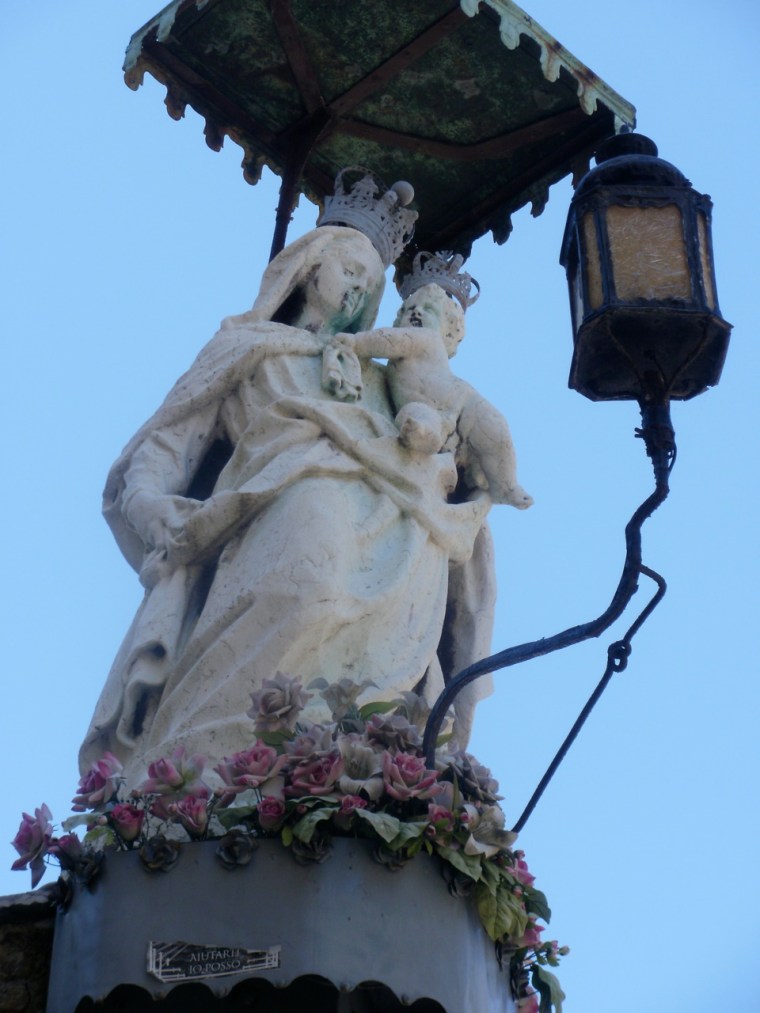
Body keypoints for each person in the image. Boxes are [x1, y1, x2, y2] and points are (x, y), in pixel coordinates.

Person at [80, 225, 502, 786]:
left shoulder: (381, 377)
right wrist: (147, 503)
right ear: (306, 270)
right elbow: (164, 449)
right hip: (286, 498)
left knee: (391, 637)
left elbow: (439, 431)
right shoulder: (247, 349)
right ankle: (207, 767)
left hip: (402, 524)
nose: (357, 290)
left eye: (369, 284)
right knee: (309, 587)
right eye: (349, 270)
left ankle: (350, 771)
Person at [329, 282, 533, 509]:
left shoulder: (426, 339)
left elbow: (389, 340)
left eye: (429, 310)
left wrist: (357, 342)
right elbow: (389, 340)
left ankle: (506, 486)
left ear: (447, 331)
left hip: (463, 403)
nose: (417, 312)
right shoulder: (397, 358)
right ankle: (423, 437)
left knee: (495, 430)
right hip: (424, 408)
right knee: (416, 418)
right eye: (410, 308)